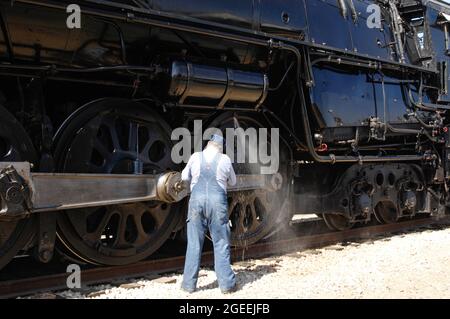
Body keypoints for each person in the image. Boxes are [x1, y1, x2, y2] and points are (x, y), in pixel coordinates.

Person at [180, 134, 237, 294]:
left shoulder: (195, 156)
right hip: (217, 204)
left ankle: (188, 285)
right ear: (220, 147)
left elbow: (184, 176)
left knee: (194, 244)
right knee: (220, 242)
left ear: (208, 144)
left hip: (196, 203)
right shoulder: (225, 159)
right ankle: (226, 285)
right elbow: (233, 182)